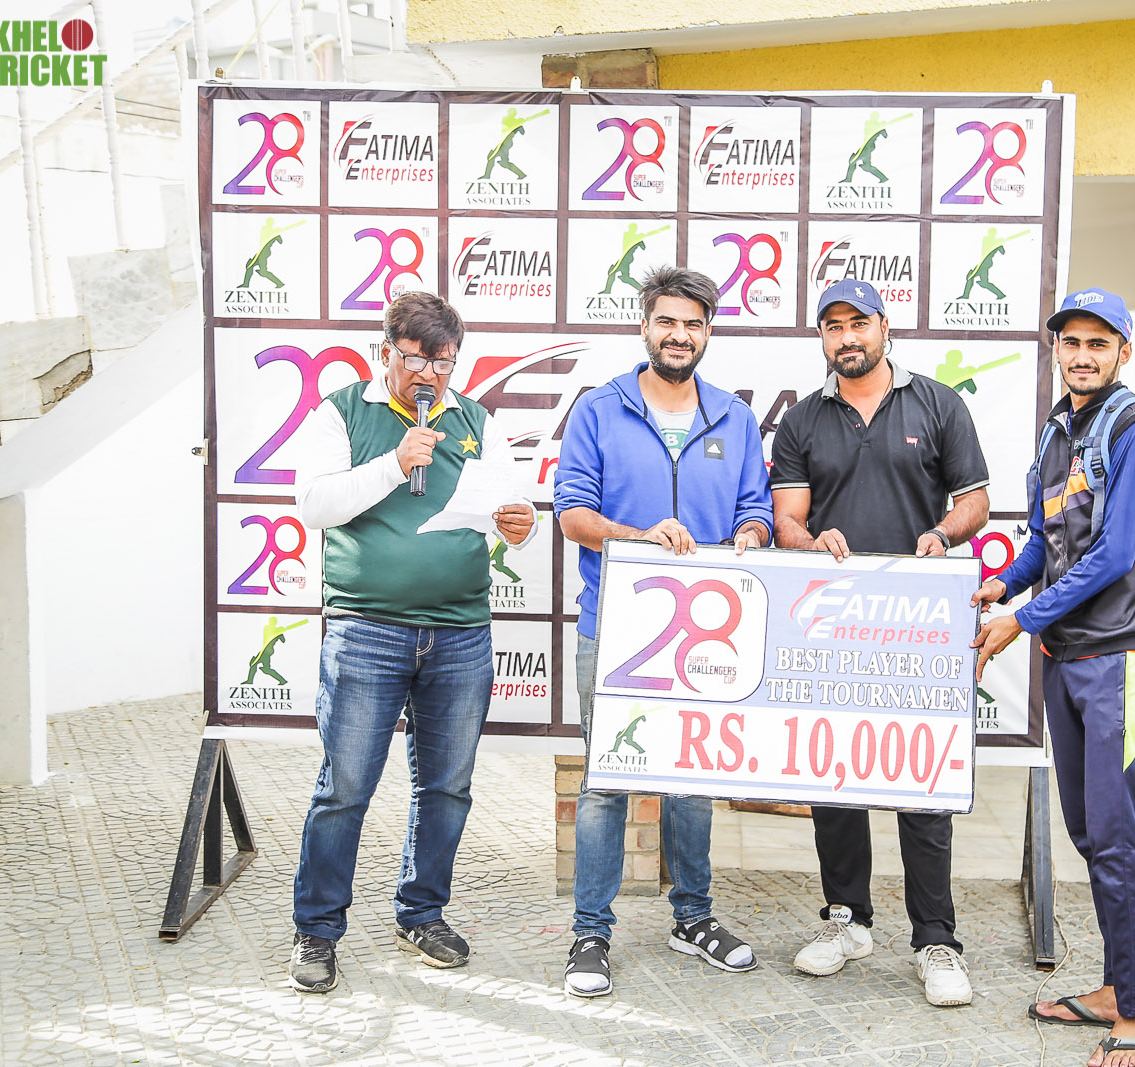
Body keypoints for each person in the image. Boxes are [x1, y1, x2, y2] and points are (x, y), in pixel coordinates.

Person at [287, 292, 538, 994]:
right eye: (417, 359)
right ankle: (317, 929)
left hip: (460, 632)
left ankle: (421, 913)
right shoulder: (343, 412)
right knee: (344, 787)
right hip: (366, 630)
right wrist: (395, 464)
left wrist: (520, 525)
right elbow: (312, 504)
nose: (430, 375)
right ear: (386, 352)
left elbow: (507, 510)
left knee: (447, 787)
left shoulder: (476, 420)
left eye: (444, 362)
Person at [554, 266, 773, 998]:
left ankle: (693, 918)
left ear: (708, 332)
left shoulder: (734, 418)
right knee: (607, 781)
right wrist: (639, 536)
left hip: (708, 633)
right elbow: (572, 514)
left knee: (694, 781)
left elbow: (755, 509)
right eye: (667, 322)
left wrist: (750, 533)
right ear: (645, 326)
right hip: (617, 625)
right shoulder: (599, 409)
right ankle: (591, 931)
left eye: (693, 324)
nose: (680, 335)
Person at [770, 277, 989, 1007]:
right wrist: (809, 541)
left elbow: (975, 501)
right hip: (828, 622)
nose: (846, 337)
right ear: (822, 337)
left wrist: (943, 534)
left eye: (857, 323)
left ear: (884, 326)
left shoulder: (938, 404)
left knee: (920, 783)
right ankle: (847, 920)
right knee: (833, 777)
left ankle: (936, 939)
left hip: (917, 624)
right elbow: (787, 519)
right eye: (833, 326)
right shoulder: (802, 419)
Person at [970, 288, 1135, 1067]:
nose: (1083, 355)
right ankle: (1118, 987)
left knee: (1120, 840)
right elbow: (1043, 540)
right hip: (1067, 657)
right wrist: (1004, 584)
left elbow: (1115, 553)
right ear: (1056, 348)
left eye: (1099, 342)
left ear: (1123, 351)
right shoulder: (1060, 430)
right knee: (1091, 834)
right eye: (1071, 342)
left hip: (1120, 658)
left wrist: (1021, 619)